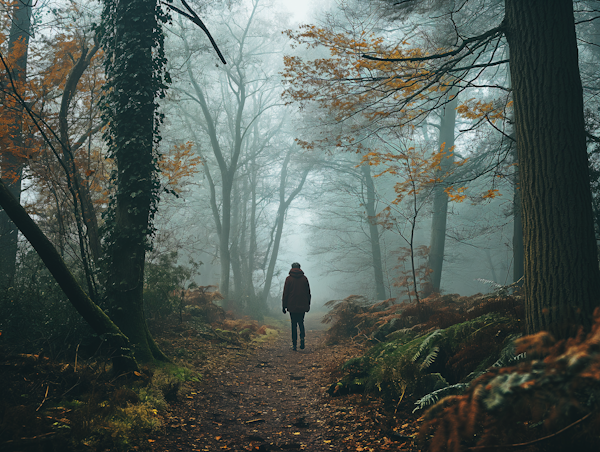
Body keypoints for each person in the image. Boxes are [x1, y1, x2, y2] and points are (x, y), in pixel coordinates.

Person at [282, 262, 311, 351]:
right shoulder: (304, 279)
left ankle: (294, 344)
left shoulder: (288, 279)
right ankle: (302, 338)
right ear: (300, 268)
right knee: (301, 322)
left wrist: (284, 306)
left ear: (292, 268)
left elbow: (285, 293)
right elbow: (308, 293)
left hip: (292, 305)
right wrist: (308, 304)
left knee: (293, 324)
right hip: (302, 305)